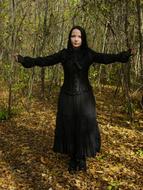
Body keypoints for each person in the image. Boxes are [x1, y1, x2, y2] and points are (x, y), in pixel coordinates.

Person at [14, 26, 132, 173]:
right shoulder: (64, 54)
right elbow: (44, 60)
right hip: (67, 97)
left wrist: (123, 55)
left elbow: (106, 58)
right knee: (69, 125)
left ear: (83, 38)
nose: (76, 39)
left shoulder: (88, 54)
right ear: (69, 38)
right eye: (73, 36)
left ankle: (81, 158)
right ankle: (72, 157)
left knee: (84, 125)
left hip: (85, 97)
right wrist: (24, 60)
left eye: (79, 36)